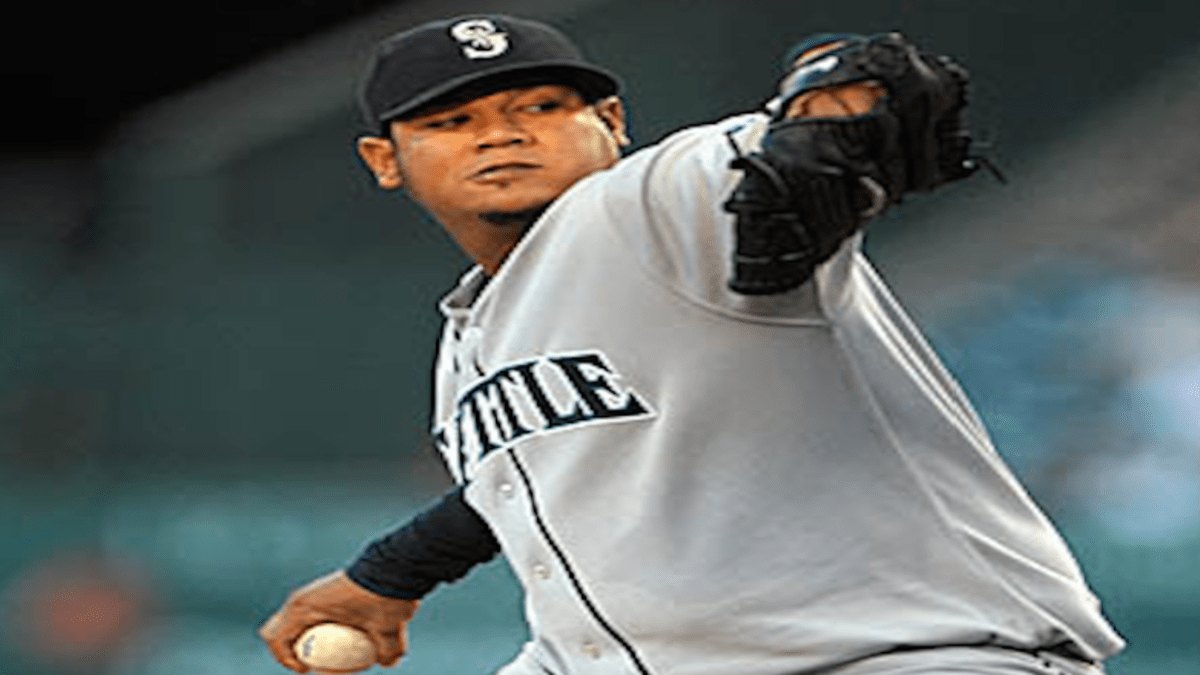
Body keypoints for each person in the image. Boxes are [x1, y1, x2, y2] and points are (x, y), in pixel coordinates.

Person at [258, 14, 1124, 675]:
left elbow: (871, 91)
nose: (501, 132)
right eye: (451, 120)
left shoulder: (653, 204)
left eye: (541, 107)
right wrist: (387, 573)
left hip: (908, 655)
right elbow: (535, 476)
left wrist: (838, 101)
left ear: (613, 122)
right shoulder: (472, 335)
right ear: (385, 159)